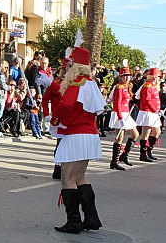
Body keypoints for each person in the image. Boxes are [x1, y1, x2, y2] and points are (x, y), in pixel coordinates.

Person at [51, 47, 105, 233]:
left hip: (75, 134)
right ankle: (91, 217)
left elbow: (66, 104)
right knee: (80, 176)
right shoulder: (90, 82)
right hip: (90, 134)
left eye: (69, 63)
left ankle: (74, 221)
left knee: (67, 179)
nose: (67, 66)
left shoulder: (76, 82)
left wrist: (56, 120)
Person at [109, 64, 139, 171]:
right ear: (120, 76)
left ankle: (124, 155)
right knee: (119, 138)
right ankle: (114, 161)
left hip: (126, 113)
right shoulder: (119, 87)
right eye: (124, 76)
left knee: (135, 134)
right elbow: (117, 103)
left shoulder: (127, 86)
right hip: (119, 113)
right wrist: (120, 117)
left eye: (128, 75)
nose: (126, 77)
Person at [42, 62, 66, 179]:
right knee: (60, 143)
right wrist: (46, 114)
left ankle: (66, 168)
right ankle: (58, 169)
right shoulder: (55, 84)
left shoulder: (76, 83)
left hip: (71, 118)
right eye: (64, 69)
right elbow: (45, 99)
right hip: (58, 118)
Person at [135, 67, 161, 162]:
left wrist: (157, 109)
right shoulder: (147, 86)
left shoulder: (154, 86)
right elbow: (147, 100)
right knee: (146, 133)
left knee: (157, 132)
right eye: (157, 76)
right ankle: (143, 154)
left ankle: (149, 151)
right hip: (147, 112)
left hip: (154, 112)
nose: (158, 78)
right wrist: (155, 109)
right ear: (153, 77)